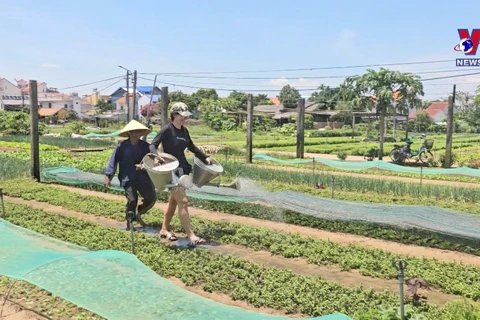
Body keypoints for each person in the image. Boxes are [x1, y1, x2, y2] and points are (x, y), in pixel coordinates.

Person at [149, 102, 212, 247]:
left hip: (182, 169)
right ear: (175, 115)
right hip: (170, 169)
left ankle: (164, 229)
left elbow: (192, 147)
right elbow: (153, 145)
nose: (185, 119)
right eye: (182, 116)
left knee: (173, 201)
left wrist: (204, 157)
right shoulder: (167, 130)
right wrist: (155, 157)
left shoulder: (184, 131)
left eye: (185, 116)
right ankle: (191, 235)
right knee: (183, 201)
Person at [104, 120, 157, 231]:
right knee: (132, 200)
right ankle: (130, 223)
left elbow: (152, 158)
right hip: (128, 177)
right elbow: (113, 161)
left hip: (143, 177)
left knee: (151, 198)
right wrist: (108, 176)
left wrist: (152, 162)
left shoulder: (146, 146)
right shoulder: (121, 146)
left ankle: (140, 211)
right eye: (136, 131)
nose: (138, 134)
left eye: (139, 131)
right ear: (130, 133)